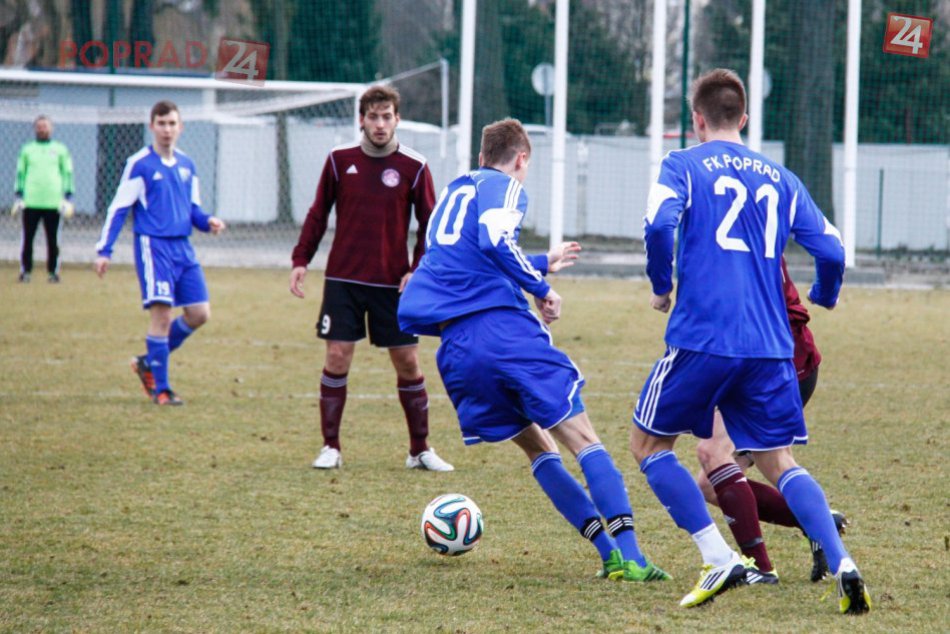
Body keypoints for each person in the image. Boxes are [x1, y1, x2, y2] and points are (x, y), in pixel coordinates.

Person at [630, 69, 871, 614]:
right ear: (743, 117)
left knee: (647, 447)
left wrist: (661, 286)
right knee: (778, 460)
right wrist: (824, 292)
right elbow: (831, 249)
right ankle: (842, 561)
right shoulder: (781, 177)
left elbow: (657, 225)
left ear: (696, 120)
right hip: (769, 345)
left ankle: (719, 558)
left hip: (704, 336)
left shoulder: (682, 164)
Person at [398, 118, 669, 582]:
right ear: (520, 158)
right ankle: (633, 558)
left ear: (481, 155)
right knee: (583, 439)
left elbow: (468, 257)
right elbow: (495, 239)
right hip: (503, 334)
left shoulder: (453, 194)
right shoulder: (504, 186)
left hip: (457, 350)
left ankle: (607, 555)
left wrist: (545, 259)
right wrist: (541, 286)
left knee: (539, 450)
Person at [290, 85, 452, 472]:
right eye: (373, 117)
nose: (380, 124)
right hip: (344, 279)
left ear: (397, 119)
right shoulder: (338, 160)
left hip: (394, 283)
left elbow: (429, 225)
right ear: (361, 120)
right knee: (337, 356)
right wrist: (301, 259)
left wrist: (417, 270)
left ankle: (419, 450)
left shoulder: (415, 166)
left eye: (387, 116)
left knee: (408, 362)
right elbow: (317, 214)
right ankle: (331, 446)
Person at [694, 256, 848, 584]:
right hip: (782, 362)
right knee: (711, 483)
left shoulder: (731, 237)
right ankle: (819, 524)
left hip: (774, 367)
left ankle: (762, 569)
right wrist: (826, 291)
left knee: (714, 454)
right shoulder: (751, 223)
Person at [94, 100, 226, 406]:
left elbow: (192, 209)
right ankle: (162, 389)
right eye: (161, 123)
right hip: (153, 247)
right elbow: (119, 208)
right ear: (152, 126)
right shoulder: (140, 164)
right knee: (162, 316)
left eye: (172, 124)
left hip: (184, 248)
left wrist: (208, 222)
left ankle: (146, 362)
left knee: (199, 314)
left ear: (180, 127)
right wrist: (105, 250)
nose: (167, 129)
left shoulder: (187, 165)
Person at [13, 115, 74, 283]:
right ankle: (26, 271)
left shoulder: (60, 149)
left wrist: (68, 196)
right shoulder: (27, 149)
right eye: (39, 126)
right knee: (28, 238)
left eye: (45, 126)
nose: (42, 129)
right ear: (35, 129)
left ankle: (53, 272)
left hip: (53, 202)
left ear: (51, 128)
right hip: (31, 201)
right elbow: (20, 172)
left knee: (53, 239)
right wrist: (19, 195)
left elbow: (67, 172)